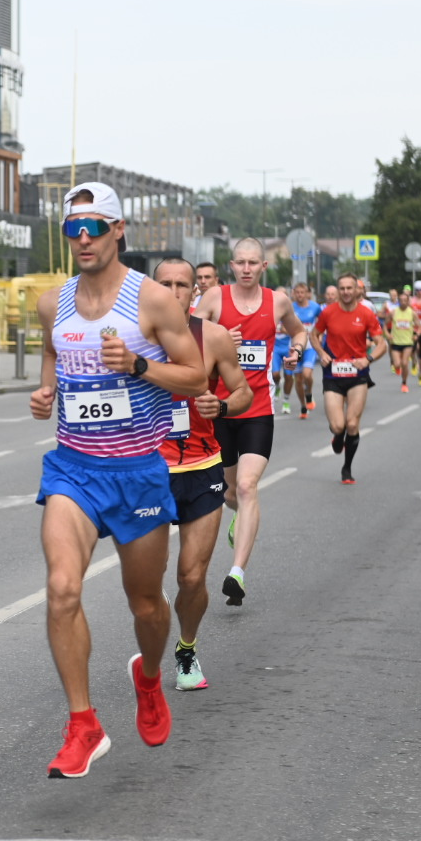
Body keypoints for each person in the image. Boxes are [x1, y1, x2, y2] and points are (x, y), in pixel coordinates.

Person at [31, 182, 205, 779]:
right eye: (71, 229)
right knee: (61, 588)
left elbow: (195, 374)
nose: (82, 239)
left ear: (117, 230)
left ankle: (150, 678)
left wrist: (136, 365)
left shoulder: (153, 301)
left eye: (93, 227)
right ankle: (83, 725)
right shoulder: (52, 304)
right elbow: (54, 359)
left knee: (148, 605)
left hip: (137, 473)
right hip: (73, 469)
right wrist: (47, 390)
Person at [152, 258, 253, 692]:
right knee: (146, 581)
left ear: (195, 292)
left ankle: (187, 647)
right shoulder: (131, 339)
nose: (173, 291)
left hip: (201, 467)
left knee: (191, 577)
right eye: (164, 283)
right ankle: (153, 630)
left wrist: (224, 406)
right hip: (148, 471)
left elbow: (244, 390)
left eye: (182, 284)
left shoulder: (212, 337)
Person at [190, 238, 308, 607]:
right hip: (219, 409)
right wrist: (219, 341)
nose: (245, 268)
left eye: (252, 263)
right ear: (232, 265)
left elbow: (300, 331)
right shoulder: (213, 300)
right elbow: (184, 342)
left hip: (258, 408)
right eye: (239, 262)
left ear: (263, 267)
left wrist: (296, 351)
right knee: (229, 493)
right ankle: (238, 521)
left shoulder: (278, 301)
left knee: (246, 485)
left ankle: (236, 573)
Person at [310, 273, 388, 485]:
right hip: (332, 374)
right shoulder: (328, 312)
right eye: (341, 288)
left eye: (349, 288)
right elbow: (313, 335)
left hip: (357, 375)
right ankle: (337, 436)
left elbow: (382, 343)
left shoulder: (366, 314)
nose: (345, 292)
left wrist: (368, 359)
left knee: (352, 424)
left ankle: (347, 468)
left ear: (357, 290)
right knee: (338, 426)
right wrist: (321, 353)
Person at [287, 282, 322, 416]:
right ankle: (303, 405)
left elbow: (322, 322)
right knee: (298, 379)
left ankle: (309, 393)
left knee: (307, 374)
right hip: (295, 348)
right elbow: (282, 325)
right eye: (297, 292)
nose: (300, 295)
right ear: (294, 293)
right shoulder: (290, 307)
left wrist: (319, 335)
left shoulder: (315, 307)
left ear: (308, 293)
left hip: (309, 347)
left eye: (303, 292)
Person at [387, 289, 416, 392]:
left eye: (405, 300)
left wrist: (416, 335)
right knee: (397, 364)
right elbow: (385, 326)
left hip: (408, 342)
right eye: (401, 300)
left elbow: (419, 326)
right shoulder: (393, 312)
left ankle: (404, 383)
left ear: (408, 301)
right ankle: (398, 368)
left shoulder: (412, 313)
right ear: (398, 301)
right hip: (395, 342)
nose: (403, 302)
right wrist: (387, 334)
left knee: (404, 363)